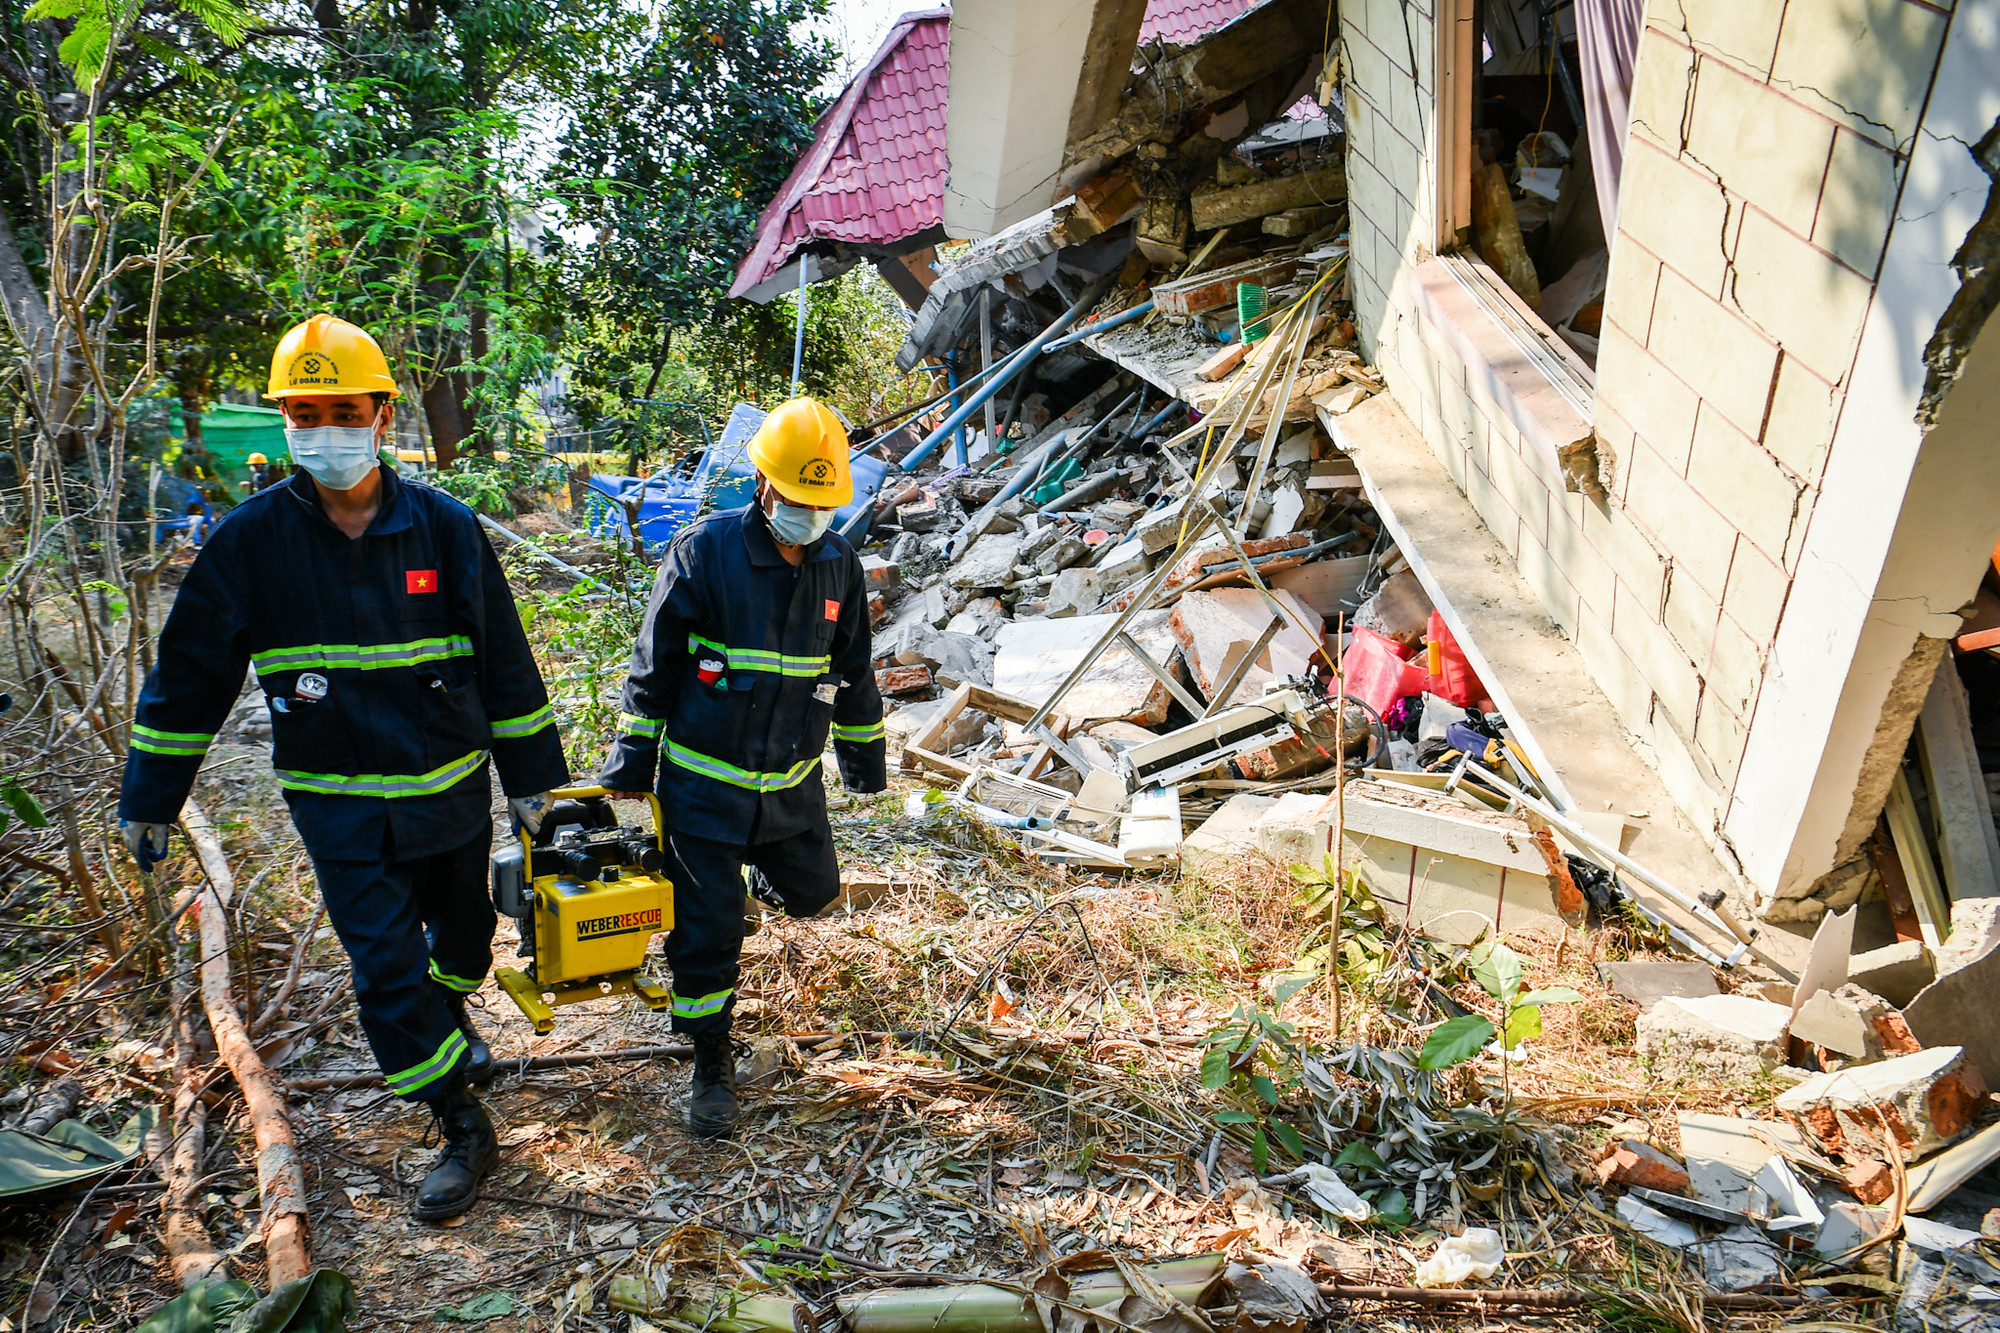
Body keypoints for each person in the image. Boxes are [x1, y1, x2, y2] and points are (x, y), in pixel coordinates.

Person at [117, 313, 568, 1221]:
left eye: (341, 407)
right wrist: (151, 794)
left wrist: (532, 785)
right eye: (303, 409)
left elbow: (506, 663)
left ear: (380, 413)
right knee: (384, 969)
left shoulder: (445, 531)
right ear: (285, 420)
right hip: (340, 811)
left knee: (464, 943)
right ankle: (459, 1120)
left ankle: (450, 1018)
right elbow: (190, 677)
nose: (322, 426)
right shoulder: (250, 545)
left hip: (449, 801)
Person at [598, 397, 885, 1138]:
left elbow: (853, 671)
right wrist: (632, 758)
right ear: (763, 484)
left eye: (823, 502)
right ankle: (710, 1060)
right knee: (707, 930)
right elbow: (653, 664)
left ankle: (755, 876)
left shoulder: (839, 564)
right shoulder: (707, 552)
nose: (810, 513)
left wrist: (864, 763)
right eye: (798, 497)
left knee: (816, 892)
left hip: (790, 787)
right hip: (703, 788)